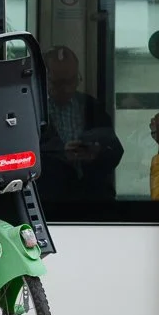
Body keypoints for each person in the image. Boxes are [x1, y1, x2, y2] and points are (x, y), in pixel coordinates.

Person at [39, 45, 124, 210]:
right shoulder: (34, 110)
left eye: (72, 81)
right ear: (44, 79)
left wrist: (96, 152)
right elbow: (23, 157)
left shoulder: (91, 106)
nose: (67, 88)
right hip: (49, 202)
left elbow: (115, 149)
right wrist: (61, 152)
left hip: (94, 201)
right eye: (59, 83)